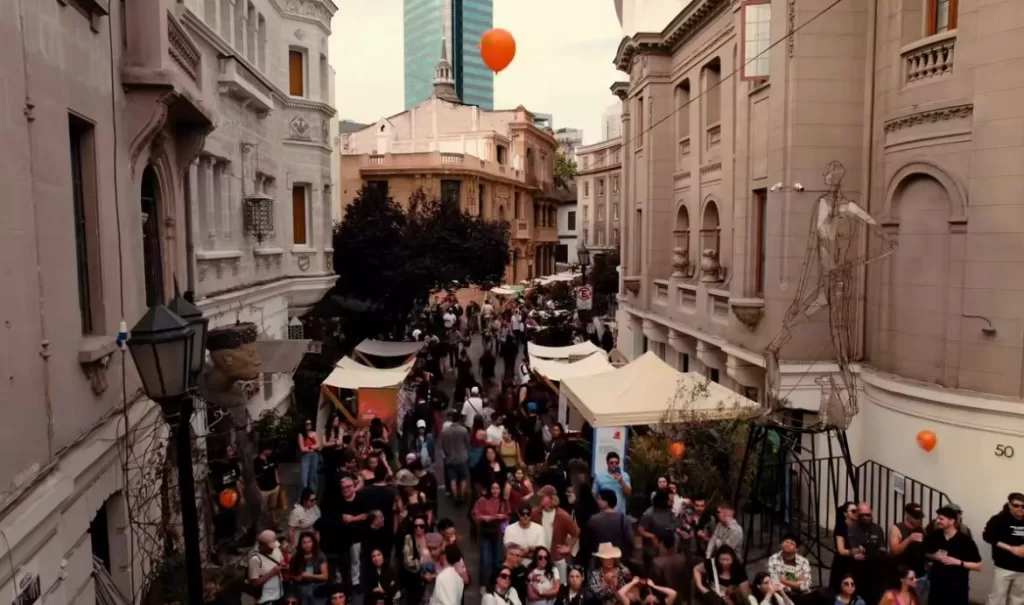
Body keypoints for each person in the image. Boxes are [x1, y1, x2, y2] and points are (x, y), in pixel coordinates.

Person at [924, 505, 982, 605]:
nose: (937, 521)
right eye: (937, 518)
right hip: (937, 585)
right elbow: (925, 553)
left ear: (951, 521)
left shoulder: (965, 541)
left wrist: (958, 562)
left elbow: (978, 566)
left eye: (941, 519)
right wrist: (934, 556)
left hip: (957, 587)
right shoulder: (934, 535)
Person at [982, 492, 1024, 605]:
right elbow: (988, 536)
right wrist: (1012, 549)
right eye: (1016, 505)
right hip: (1003, 566)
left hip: (1023, 568)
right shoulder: (999, 519)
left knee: (1018, 600)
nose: (1020, 509)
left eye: (1023, 506)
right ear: (1010, 505)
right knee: (997, 598)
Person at [532, 485, 580, 581]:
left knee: (561, 585)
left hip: (557, 557)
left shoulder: (563, 516)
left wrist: (568, 548)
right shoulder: (535, 513)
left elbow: (576, 533)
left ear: (551, 498)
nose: (540, 498)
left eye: (543, 496)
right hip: (540, 558)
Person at [847, 502, 886, 605]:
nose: (865, 517)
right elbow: (854, 551)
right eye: (862, 515)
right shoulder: (852, 529)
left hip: (875, 569)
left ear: (871, 513)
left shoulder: (877, 529)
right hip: (858, 570)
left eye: (867, 514)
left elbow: (882, 548)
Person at [475, 480, 512, 585]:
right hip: (485, 532)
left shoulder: (504, 501)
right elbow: (475, 514)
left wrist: (503, 516)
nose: (495, 491)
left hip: (498, 532)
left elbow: (508, 515)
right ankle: (484, 584)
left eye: (497, 488)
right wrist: (484, 517)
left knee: (498, 560)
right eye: (493, 488)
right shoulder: (482, 500)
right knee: (485, 560)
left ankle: (497, 582)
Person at [336, 475, 368, 594]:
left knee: (355, 560)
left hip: (356, 535)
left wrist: (352, 519)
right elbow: (335, 515)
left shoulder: (360, 498)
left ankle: (355, 581)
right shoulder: (338, 500)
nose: (346, 489)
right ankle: (339, 581)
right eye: (343, 487)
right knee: (341, 560)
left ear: (354, 486)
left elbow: (365, 515)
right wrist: (341, 517)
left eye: (349, 486)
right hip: (341, 535)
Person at [585, 490, 634, 564]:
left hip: (599, 558)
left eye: (600, 499)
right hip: (619, 558)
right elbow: (630, 539)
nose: (598, 502)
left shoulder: (594, 520)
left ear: (606, 502)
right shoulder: (623, 519)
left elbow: (588, 540)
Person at [890, 503, 928, 598]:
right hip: (903, 574)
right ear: (908, 515)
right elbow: (895, 550)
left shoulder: (921, 529)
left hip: (919, 574)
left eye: (920, 518)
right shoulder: (897, 528)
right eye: (915, 518)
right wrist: (909, 539)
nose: (918, 520)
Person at [441, 411, 472, 504]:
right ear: (460, 420)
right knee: (463, 478)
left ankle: (455, 497)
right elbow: (467, 443)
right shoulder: (463, 430)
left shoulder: (445, 432)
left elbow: (443, 446)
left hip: (450, 458)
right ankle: (462, 496)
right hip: (462, 458)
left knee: (452, 479)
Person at [249, 529, 287, 605]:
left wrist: (282, 565)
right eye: (270, 547)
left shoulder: (275, 549)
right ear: (263, 545)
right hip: (266, 600)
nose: (272, 549)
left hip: (279, 596)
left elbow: (280, 561)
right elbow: (254, 583)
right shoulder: (255, 559)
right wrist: (272, 573)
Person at [291, 531, 328, 605]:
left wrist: (309, 575)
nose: (307, 545)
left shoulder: (320, 555)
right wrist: (297, 577)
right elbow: (293, 574)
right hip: (303, 589)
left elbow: (325, 576)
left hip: (318, 588)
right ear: (301, 544)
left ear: (313, 542)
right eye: (304, 542)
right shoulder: (297, 557)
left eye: (309, 542)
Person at [255, 444, 286, 527]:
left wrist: (278, 483)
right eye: (269, 449)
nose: (271, 451)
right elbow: (255, 477)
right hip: (263, 490)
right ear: (263, 450)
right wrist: (257, 489)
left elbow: (275, 470)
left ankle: (274, 524)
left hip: (274, 488)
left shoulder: (272, 458)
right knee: (262, 510)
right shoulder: (257, 462)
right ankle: (260, 528)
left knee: (273, 507)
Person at [830, 502, 859, 593]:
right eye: (853, 511)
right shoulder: (841, 527)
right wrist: (856, 551)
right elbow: (841, 550)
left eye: (857, 511)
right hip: (843, 563)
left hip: (856, 563)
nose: (856, 513)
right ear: (845, 513)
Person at [298, 419, 323, 492]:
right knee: (304, 478)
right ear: (304, 425)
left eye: (310, 424)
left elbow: (319, 444)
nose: (309, 425)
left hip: (314, 456)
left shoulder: (314, 433)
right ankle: (302, 498)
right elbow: (302, 448)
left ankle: (312, 496)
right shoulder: (301, 434)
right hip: (305, 456)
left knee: (313, 476)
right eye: (307, 424)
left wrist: (310, 447)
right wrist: (311, 447)